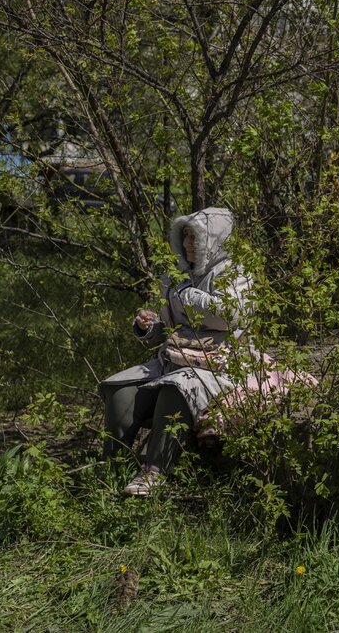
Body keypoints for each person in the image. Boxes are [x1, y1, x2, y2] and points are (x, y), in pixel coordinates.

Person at [99, 207, 252, 495]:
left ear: (214, 239)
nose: (187, 245)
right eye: (185, 238)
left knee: (176, 388)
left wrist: (184, 293)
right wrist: (149, 327)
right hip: (173, 359)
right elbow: (170, 327)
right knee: (120, 390)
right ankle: (110, 468)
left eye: (195, 238)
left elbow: (227, 316)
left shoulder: (236, 272)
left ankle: (154, 471)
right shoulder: (178, 274)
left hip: (217, 366)